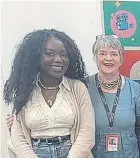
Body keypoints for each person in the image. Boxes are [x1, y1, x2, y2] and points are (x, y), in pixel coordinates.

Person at [3, 29, 95, 158]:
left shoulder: (78, 88)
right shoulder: (24, 89)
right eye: (49, 54)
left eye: (63, 54)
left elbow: (87, 132)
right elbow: (18, 137)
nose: (58, 59)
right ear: (36, 57)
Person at [86, 35, 140, 158]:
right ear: (96, 58)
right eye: (102, 53)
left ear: (121, 60)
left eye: (114, 54)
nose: (108, 58)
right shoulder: (84, 87)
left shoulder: (134, 89)